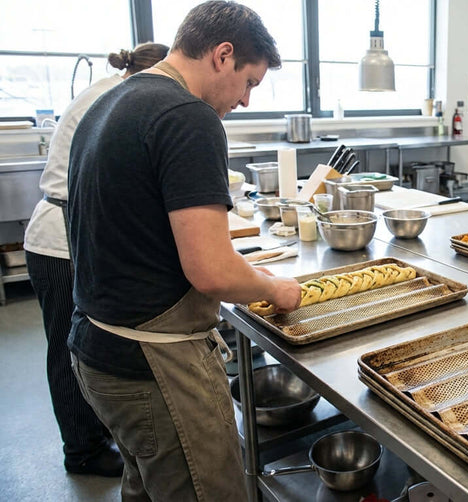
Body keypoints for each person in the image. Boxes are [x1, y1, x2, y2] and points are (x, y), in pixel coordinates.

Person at [66, 1, 301, 499]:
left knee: (147, 489)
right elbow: (212, 272)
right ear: (222, 54)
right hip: (156, 365)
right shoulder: (187, 117)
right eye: (249, 83)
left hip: (97, 351)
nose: (245, 102)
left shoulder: (110, 102)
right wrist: (273, 288)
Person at [24, 42, 169, 477]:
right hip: (60, 240)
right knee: (68, 347)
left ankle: (96, 434)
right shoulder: (113, 99)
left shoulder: (114, 92)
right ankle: (81, 451)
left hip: (76, 229)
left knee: (77, 343)